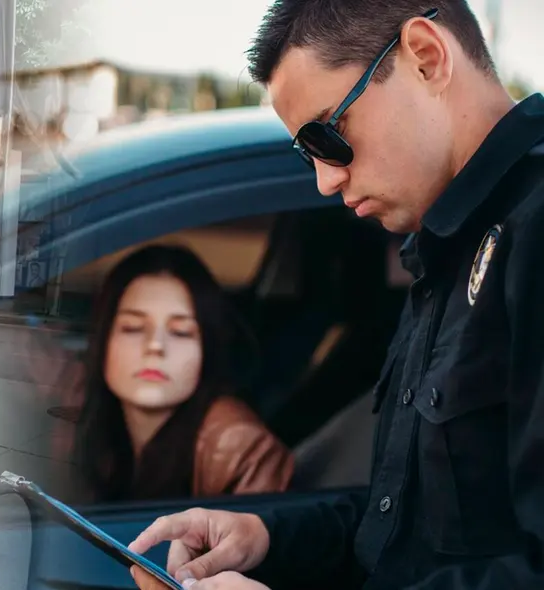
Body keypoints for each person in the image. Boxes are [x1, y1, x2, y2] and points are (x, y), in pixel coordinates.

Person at [128, 1, 544, 589]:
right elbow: (400, 532)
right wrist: (267, 540)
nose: (326, 179)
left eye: (330, 134)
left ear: (425, 57)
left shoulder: (532, 233)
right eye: (308, 153)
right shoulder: (438, 251)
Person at [71, 244, 292, 503]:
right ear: (103, 340)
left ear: (206, 349)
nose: (155, 346)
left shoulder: (240, 447)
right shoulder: (81, 424)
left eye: (180, 332)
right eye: (133, 328)